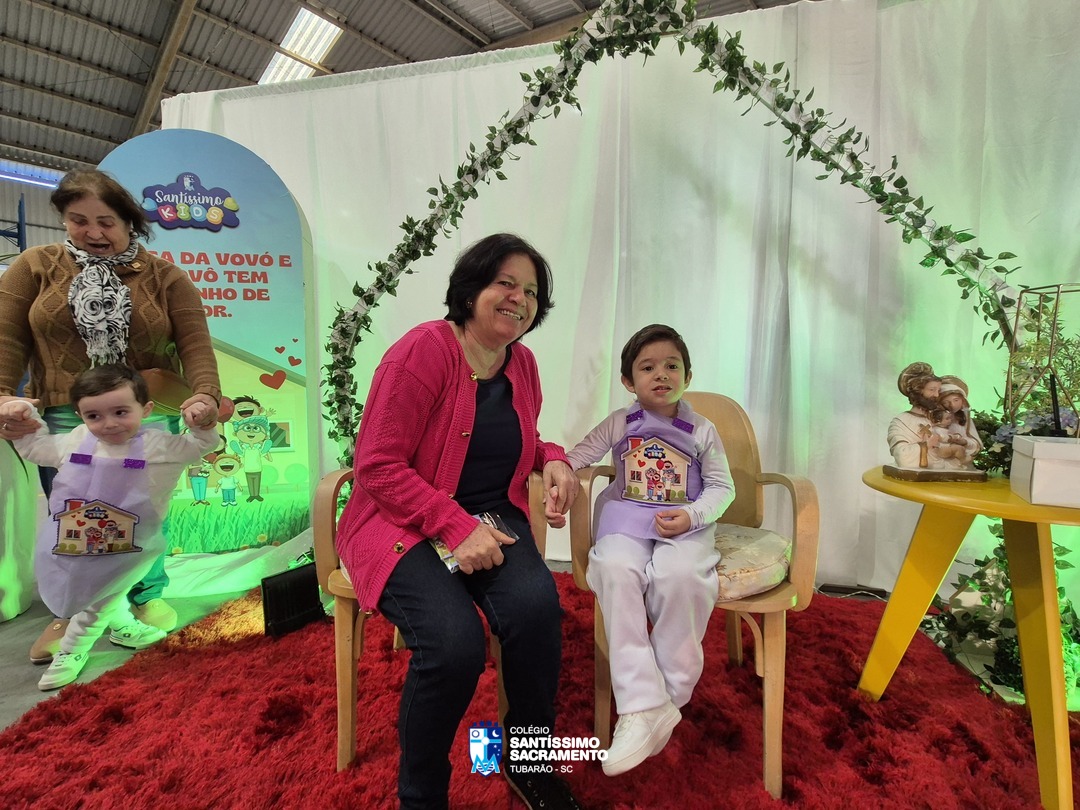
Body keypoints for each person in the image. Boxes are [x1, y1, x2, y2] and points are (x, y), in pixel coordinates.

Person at [334, 233, 582, 810]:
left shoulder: (523, 363)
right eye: (505, 283)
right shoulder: (421, 352)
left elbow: (522, 437)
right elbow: (376, 465)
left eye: (531, 292)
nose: (519, 299)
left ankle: (529, 763)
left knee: (537, 611)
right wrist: (453, 524)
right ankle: (421, 796)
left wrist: (554, 458)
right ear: (470, 290)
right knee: (454, 644)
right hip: (399, 522)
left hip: (489, 518)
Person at [0, 169, 221, 664]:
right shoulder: (34, 266)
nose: (94, 232)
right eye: (79, 220)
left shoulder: (166, 277)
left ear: (129, 223)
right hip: (64, 414)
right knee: (72, 514)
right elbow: (7, 338)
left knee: (144, 511)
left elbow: (195, 343)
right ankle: (70, 608)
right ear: (63, 219)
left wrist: (205, 396)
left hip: (148, 412)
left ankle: (144, 593)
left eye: (106, 222)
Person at [561, 324, 735, 776]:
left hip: (684, 525)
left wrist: (693, 516)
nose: (661, 374)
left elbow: (722, 487)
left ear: (688, 376)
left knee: (682, 578)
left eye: (672, 366)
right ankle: (642, 702)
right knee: (614, 569)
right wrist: (556, 470)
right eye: (647, 367)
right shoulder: (620, 423)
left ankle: (667, 696)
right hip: (625, 519)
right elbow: (579, 454)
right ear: (628, 381)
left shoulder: (702, 429)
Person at [0, 365, 220, 690]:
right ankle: (123, 625)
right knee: (99, 592)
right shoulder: (76, 440)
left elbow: (201, 445)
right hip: (75, 541)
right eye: (94, 416)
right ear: (79, 416)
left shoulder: (159, 445)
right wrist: (24, 415)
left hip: (134, 545)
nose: (109, 424)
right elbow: (36, 448)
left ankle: (72, 650)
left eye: (120, 412)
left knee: (103, 596)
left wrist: (201, 422)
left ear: (145, 409)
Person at [887, 362, 942, 468]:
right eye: (932, 390)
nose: (936, 395)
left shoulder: (938, 420)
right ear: (918, 391)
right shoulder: (900, 422)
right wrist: (926, 445)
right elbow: (902, 456)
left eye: (938, 391)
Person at [939, 377, 984, 454]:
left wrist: (965, 442)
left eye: (956, 400)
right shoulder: (935, 418)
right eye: (946, 402)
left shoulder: (965, 418)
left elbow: (976, 444)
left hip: (960, 456)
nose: (952, 405)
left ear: (963, 400)